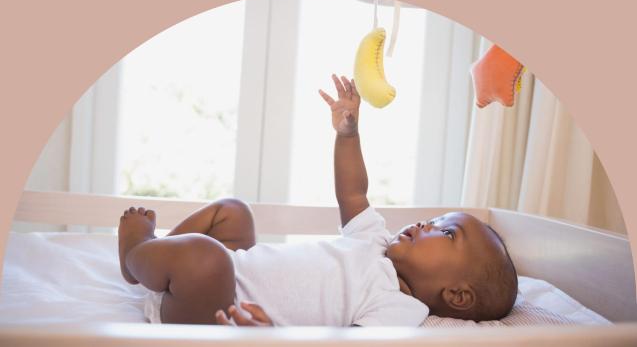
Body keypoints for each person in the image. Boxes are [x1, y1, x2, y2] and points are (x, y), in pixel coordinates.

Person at [117, 74, 518, 326]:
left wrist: (267, 335)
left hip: (212, 309)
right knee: (233, 212)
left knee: (207, 260)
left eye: (446, 233)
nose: (425, 225)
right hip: (235, 269)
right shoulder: (374, 242)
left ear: (457, 295)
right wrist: (348, 135)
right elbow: (354, 192)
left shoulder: (399, 310)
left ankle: (138, 253)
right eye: (435, 219)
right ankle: (155, 265)